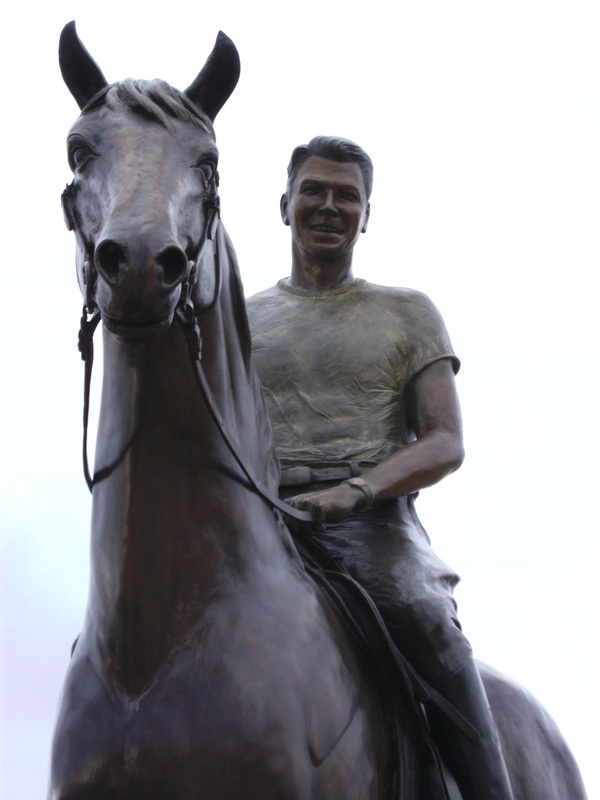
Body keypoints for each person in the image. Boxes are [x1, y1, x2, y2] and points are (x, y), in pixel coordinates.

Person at [246, 136, 514, 800]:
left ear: (366, 216)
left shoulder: (406, 312)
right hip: (256, 520)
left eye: (347, 196)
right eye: (314, 191)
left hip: (372, 527)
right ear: (285, 205)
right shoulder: (240, 320)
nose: (329, 206)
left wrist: (357, 490)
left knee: (430, 626)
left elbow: (445, 441)